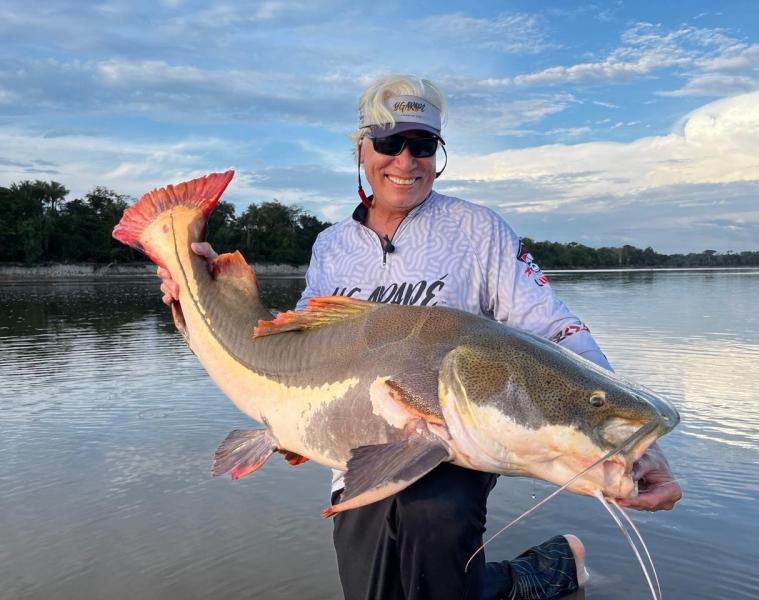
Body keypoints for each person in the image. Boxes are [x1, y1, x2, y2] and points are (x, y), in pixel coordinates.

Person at [158, 74, 681, 600]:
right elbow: (294, 341)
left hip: (454, 441)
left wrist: (630, 448)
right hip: (354, 447)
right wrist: (196, 297)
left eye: (422, 145)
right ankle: (546, 571)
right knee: (376, 591)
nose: (405, 162)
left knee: (433, 538)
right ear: (362, 150)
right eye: (388, 143)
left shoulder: (479, 230)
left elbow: (555, 331)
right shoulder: (332, 245)